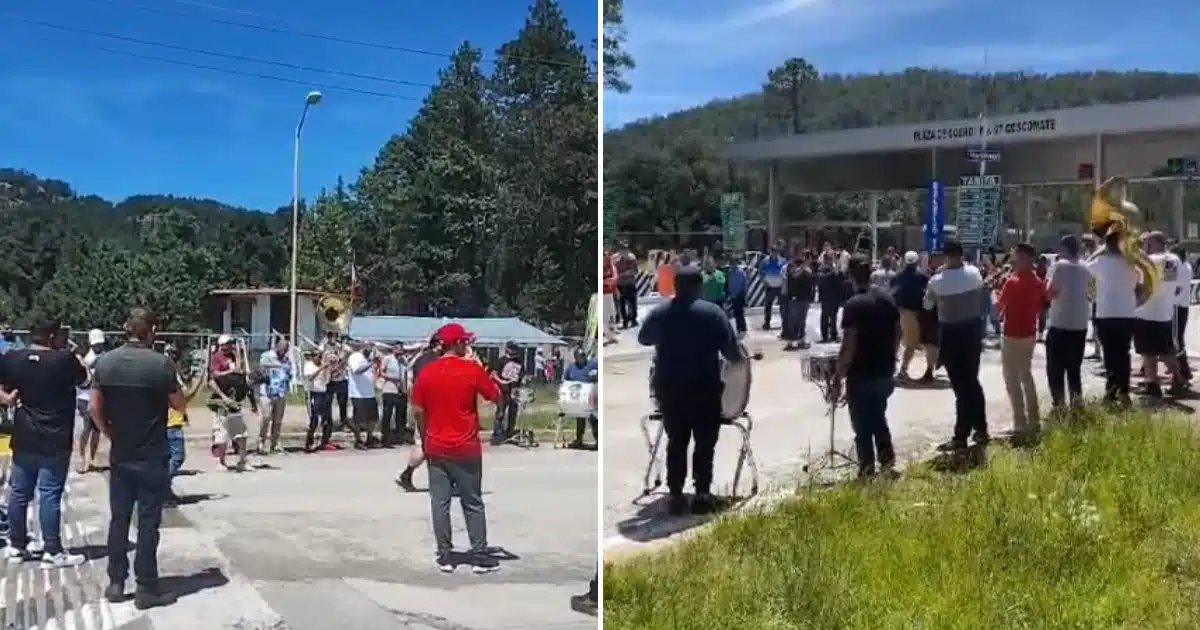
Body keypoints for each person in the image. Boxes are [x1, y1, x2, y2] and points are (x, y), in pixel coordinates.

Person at [90, 308, 182, 609]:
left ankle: (116, 582)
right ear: (151, 330)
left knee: (119, 519)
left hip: (121, 453)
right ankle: (146, 587)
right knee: (147, 523)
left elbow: (94, 408)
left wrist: (109, 433)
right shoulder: (161, 364)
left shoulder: (106, 363)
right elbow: (179, 404)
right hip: (152, 453)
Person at [638, 266, 743, 516]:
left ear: (675, 286)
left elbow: (643, 338)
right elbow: (732, 354)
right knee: (705, 442)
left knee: (676, 441)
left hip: (670, 388)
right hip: (703, 387)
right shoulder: (713, 313)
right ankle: (702, 495)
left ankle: (675, 496)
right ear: (699, 287)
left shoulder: (660, 312)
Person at [410, 323, 501, 574]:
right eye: (466, 342)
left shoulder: (427, 372)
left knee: (440, 502)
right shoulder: (471, 370)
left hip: (436, 445)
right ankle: (480, 555)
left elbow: (418, 410)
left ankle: (446, 555)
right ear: (459, 344)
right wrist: (480, 368)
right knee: (472, 502)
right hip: (466, 446)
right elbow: (496, 396)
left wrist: (426, 435)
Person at [0, 319, 87, 568]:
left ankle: (16, 546)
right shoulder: (64, 360)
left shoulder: (13, 358)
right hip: (55, 436)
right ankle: (52, 550)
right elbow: (85, 380)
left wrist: (5, 399)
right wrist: (75, 355)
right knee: (49, 493)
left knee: (19, 492)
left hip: (25, 433)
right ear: (51, 336)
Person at [832, 255, 899, 479]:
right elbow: (898, 332)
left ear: (851, 276)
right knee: (878, 416)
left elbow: (849, 345)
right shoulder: (887, 299)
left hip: (861, 373)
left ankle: (867, 468)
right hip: (885, 369)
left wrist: (838, 376)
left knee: (862, 424)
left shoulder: (853, 305)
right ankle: (887, 460)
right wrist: (892, 357)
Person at [926, 240, 989, 451]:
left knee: (961, 387)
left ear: (945, 256)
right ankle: (981, 429)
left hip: (951, 334)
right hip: (973, 331)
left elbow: (927, 305)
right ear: (962, 255)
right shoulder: (974, 273)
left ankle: (960, 435)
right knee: (972, 382)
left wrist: (939, 273)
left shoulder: (937, 280)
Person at [996, 243, 1046, 441]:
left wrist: (997, 290)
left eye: (1015, 255)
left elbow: (1000, 306)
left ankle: (1019, 422)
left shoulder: (1012, 281)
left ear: (1024, 258)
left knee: (1011, 378)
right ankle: (1034, 419)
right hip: (1029, 333)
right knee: (1026, 376)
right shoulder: (1038, 281)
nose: (1012, 258)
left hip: (1012, 333)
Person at [1089, 231, 1141, 405]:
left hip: (1106, 313)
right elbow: (1137, 285)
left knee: (1109, 355)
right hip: (1127, 313)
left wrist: (1098, 250)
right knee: (1123, 353)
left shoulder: (1099, 261)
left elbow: (1086, 268)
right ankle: (1124, 391)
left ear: (1105, 244)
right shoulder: (1131, 264)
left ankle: (1110, 393)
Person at [1134, 231, 1183, 400]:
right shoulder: (1174, 260)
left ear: (1153, 243)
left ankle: (1152, 383)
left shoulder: (1150, 261)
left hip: (1147, 311)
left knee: (1148, 352)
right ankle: (1177, 378)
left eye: (1146, 242)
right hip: (1165, 311)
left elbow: (1142, 287)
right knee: (1166, 349)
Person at [1045, 235, 1092, 409]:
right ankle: (1076, 403)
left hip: (1060, 323)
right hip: (1080, 325)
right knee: (1074, 369)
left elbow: (1050, 292)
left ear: (1063, 249)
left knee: (1055, 368)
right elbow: (1092, 294)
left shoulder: (1059, 266)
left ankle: (1059, 404)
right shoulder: (1087, 268)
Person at [396, 337, 440, 491]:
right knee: (429, 444)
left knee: (424, 444)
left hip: (422, 404)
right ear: (438, 344)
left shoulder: (420, 359)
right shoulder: (433, 360)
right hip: (431, 407)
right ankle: (408, 474)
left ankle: (407, 474)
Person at [893, 251, 931, 380]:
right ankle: (902, 370)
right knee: (912, 343)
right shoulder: (921, 277)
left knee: (910, 343)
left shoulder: (898, 276)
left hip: (903, 312)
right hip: (914, 313)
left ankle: (902, 369)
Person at [74, 328, 106, 474]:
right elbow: (83, 378)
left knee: (97, 430)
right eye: (96, 344)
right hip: (85, 397)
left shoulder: (104, 357)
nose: (98, 346)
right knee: (86, 428)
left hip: (99, 397)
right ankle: (81, 456)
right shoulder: (86, 357)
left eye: (100, 344)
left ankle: (92, 458)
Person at [256, 339, 292, 455]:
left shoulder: (286, 359)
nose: (284, 351)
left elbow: (289, 373)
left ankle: (275, 444)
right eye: (282, 348)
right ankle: (261, 442)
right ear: (277, 347)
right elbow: (261, 368)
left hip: (281, 392)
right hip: (268, 392)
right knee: (266, 418)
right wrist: (277, 365)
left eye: (286, 349)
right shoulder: (266, 356)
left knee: (278, 420)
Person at [346, 341, 380, 449]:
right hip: (357, 393)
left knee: (373, 418)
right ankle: (358, 440)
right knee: (359, 419)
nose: (370, 350)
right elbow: (356, 371)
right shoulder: (355, 357)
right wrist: (371, 363)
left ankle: (369, 438)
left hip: (369, 393)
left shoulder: (367, 359)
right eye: (368, 347)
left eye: (371, 347)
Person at [563, 349, 598, 449]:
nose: (581, 358)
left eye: (582, 356)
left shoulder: (592, 365)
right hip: (578, 397)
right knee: (580, 418)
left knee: (594, 418)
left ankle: (598, 440)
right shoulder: (571, 368)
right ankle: (579, 440)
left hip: (591, 395)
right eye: (579, 356)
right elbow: (566, 381)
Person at [490, 343, 524, 445]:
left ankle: (510, 432)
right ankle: (497, 435)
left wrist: (524, 379)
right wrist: (501, 381)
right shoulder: (501, 360)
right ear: (508, 350)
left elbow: (522, 374)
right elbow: (493, 374)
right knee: (500, 413)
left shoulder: (519, 361)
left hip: (514, 391)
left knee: (513, 413)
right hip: (503, 391)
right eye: (513, 350)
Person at [302, 350, 335, 452]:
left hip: (323, 392)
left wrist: (330, 367)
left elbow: (327, 379)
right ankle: (309, 442)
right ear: (312, 357)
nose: (319, 358)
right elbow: (310, 378)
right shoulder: (309, 366)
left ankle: (324, 441)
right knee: (314, 418)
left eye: (320, 356)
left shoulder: (323, 365)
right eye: (317, 356)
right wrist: (321, 368)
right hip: (313, 393)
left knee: (326, 419)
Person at [783, 251, 815, 351]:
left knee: (802, 321)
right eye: (804, 256)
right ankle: (790, 342)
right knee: (792, 321)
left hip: (805, 298)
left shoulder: (808, 268)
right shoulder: (791, 265)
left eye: (808, 256)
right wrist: (804, 265)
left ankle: (802, 340)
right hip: (795, 298)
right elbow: (794, 275)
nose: (806, 258)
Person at [378, 345, 409, 447]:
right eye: (397, 349)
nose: (399, 351)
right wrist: (392, 378)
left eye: (401, 349)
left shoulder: (404, 360)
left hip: (401, 391)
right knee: (388, 414)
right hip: (389, 389)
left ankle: (399, 437)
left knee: (401, 415)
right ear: (393, 349)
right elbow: (381, 372)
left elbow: (405, 374)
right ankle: (385, 438)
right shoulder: (387, 359)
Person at [817, 253, 848, 343]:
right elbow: (821, 279)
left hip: (835, 296)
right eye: (829, 259)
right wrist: (833, 273)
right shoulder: (822, 269)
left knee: (834, 316)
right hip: (826, 296)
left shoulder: (835, 269)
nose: (831, 261)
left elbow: (841, 280)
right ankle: (825, 335)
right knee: (825, 316)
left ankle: (834, 334)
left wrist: (839, 272)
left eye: (831, 259)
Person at [1172, 244, 1193, 382]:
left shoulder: (1180, 267)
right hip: (1183, 306)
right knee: (1178, 339)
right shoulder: (1187, 266)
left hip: (1177, 306)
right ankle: (1181, 370)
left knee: (1176, 340)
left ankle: (1184, 371)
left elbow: (1176, 289)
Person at [759, 246, 787, 330]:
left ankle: (785, 323)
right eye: (772, 251)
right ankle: (767, 323)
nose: (774, 253)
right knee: (768, 306)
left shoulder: (783, 261)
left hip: (780, 287)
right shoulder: (765, 261)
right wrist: (763, 281)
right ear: (769, 252)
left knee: (783, 306)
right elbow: (761, 272)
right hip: (769, 287)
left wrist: (784, 285)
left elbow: (786, 272)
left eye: (775, 251)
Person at [725, 256, 748, 336]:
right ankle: (740, 328)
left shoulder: (741, 272)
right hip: (733, 295)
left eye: (733, 262)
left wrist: (745, 295)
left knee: (740, 312)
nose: (732, 264)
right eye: (731, 263)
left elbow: (744, 284)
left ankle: (742, 328)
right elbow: (729, 283)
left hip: (740, 295)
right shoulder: (730, 272)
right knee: (736, 312)